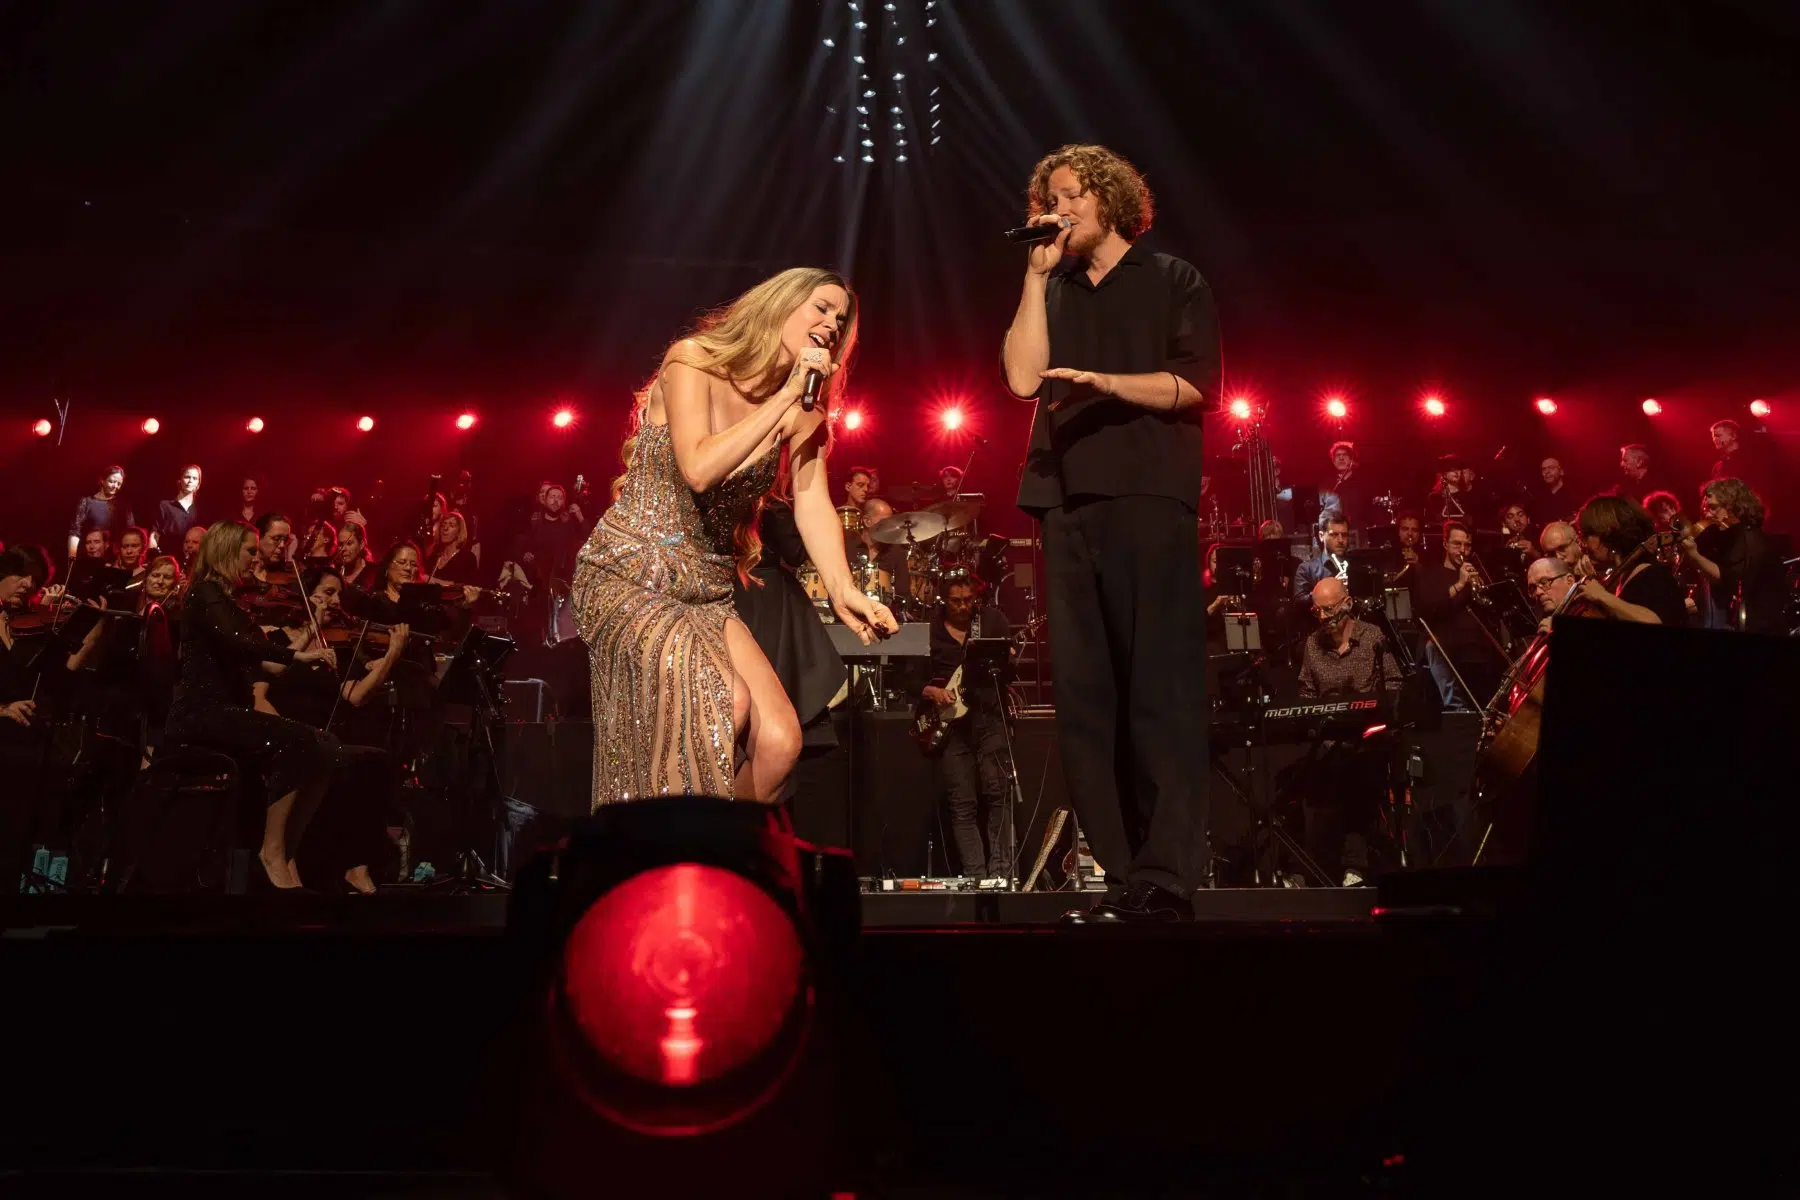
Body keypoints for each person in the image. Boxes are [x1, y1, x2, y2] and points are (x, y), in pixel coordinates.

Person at [572, 267, 895, 805]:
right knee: (729, 701)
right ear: (779, 305)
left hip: (706, 588)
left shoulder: (805, 412)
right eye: (821, 308)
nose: (832, 324)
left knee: (780, 742)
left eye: (842, 320)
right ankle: (672, 860)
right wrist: (787, 397)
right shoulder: (692, 360)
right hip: (630, 572)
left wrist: (842, 590)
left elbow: (812, 500)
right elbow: (699, 467)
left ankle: (717, 859)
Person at [1001, 142, 1215, 923]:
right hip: (1064, 499)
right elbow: (1022, 378)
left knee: (1157, 686)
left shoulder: (1172, 279)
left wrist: (1104, 384)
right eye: (1049, 196)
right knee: (1086, 699)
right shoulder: (1051, 289)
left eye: (1070, 195)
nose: (1057, 209)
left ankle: (1168, 875)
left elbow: (1194, 383)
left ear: (1110, 199)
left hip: (1147, 495)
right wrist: (1032, 276)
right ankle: (1122, 877)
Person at [161, 521, 338, 889]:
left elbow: (267, 663)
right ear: (227, 551)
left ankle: (288, 850)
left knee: (327, 746)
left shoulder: (230, 602)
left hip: (227, 713)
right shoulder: (204, 593)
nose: (256, 558)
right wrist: (296, 656)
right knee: (299, 742)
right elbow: (243, 642)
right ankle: (270, 849)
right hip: (202, 714)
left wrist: (308, 649)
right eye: (250, 551)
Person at [259, 565, 410, 893]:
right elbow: (260, 693)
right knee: (337, 759)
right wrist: (310, 628)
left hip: (321, 739)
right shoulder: (276, 638)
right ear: (306, 596)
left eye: (339, 594)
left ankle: (356, 865)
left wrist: (391, 657)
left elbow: (355, 695)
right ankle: (291, 859)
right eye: (328, 593)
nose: (336, 601)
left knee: (375, 760)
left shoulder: (334, 647)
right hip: (288, 736)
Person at [1295, 576, 1403, 886]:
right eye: (1318, 612)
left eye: (1329, 611)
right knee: (1310, 778)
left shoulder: (1374, 638)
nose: (1324, 619)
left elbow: (1394, 684)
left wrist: (1376, 716)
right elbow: (1306, 693)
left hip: (1369, 735)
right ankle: (1311, 867)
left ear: (1348, 604)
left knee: (1356, 772)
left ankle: (1354, 866)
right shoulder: (1312, 645)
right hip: (1328, 738)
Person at [921, 576, 1013, 879]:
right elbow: (907, 677)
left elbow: (1009, 673)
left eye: (968, 600)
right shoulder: (929, 629)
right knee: (963, 804)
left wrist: (1006, 660)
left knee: (998, 796)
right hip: (951, 725)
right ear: (943, 601)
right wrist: (932, 692)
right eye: (956, 601)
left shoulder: (992, 621)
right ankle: (976, 878)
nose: (963, 607)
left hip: (989, 716)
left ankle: (1000, 875)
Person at [1413, 521, 1502, 711]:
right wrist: (1460, 584)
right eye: (1457, 544)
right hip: (1447, 642)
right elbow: (1428, 609)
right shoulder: (1430, 574)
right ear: (1445, 544)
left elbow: (1490, 609)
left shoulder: (1475, 572)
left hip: (1475, 644)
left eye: (1467, 545)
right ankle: (1457, 711)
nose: (1463, 550)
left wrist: (1480, 587)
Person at [1679, 478, 1787, 634]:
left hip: (1757, 625)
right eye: (1706, 507)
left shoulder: (1749, 538)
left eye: (1713, 508)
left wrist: (1694, 555)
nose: (1707, 513)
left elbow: (1728, 579)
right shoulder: (1728, 535)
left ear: (1733, 507)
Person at [1574, 494, 1685, 627]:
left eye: (1586, 535)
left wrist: (1602, 596)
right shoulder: (1623, 577)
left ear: (1608, 533)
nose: (1583, 544)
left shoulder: (1653, 575)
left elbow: (1656, 622)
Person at [67, 465, 132, 561]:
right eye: (112, 481)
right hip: (90, 556)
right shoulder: (87, 502)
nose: (115, 486)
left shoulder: (123, 506)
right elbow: (75, 531)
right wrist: (72, 557)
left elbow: (130, 533)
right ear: (102, 480)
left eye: (119, 483)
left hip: (115, 559)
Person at [1293, 510, 1350, 613]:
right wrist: (1329, 587)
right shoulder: (1307, 569)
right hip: (1321, 627)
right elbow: (1298, 603)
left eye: (1344, 535)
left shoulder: (1355, 566)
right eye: (1334, 535)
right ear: (1321, 536)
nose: (1341, 540)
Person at [150, 465, 204, 553]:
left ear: (198, 484)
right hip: (169, 556)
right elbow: (155, 534)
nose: (190, 481)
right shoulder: (165, 506)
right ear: (180, 480)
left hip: (194, 558)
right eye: (187, 477)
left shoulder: (200, 509)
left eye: (194, 478)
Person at [1322, 440, 1370, 528]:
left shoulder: (1362, 481)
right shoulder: (1328, 484)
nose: (1341, 458)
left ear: (1352, 459)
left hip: (1358, 528)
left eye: (1345, 455)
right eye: (1338, 455)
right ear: (1333, 461)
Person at [1524, 556, 1577, 631]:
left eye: (1544, 582)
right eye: (1533, 588)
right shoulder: (1547, 622)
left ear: (1569, 581)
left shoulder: (1589, 610)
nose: (1538, 592)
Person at [1530, 457, 1575, 521]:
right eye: (1544, 469)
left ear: (1561, 471)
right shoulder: (1539, 500)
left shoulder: (1574, 495)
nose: (1547, 471)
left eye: (1551, 468)